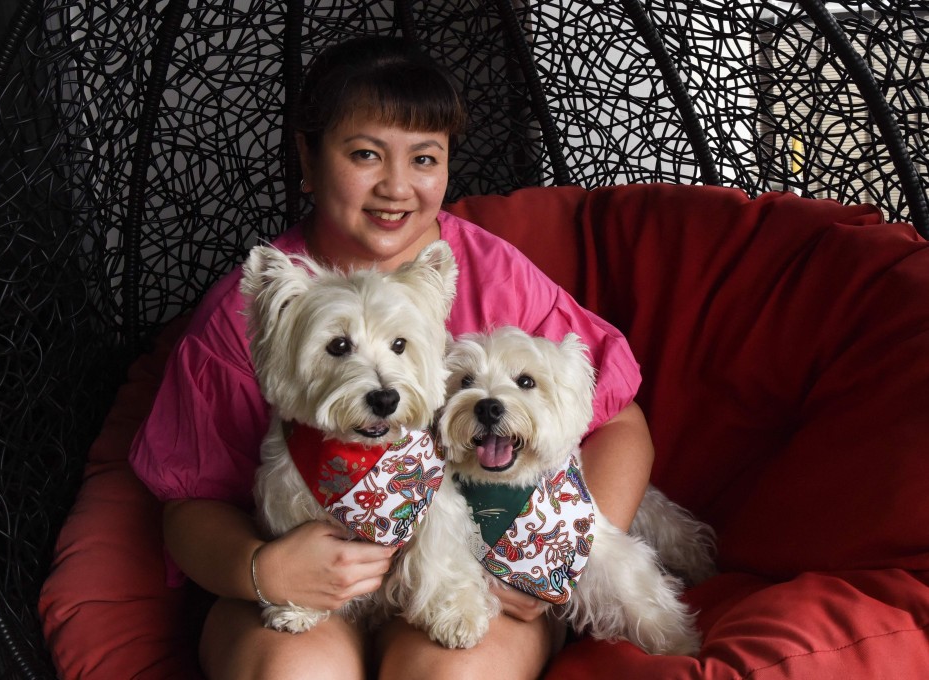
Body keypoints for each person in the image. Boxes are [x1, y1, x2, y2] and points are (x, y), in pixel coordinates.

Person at [129, 35, 654, 680]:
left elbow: (620, 422)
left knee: (449, 674)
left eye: (425, 158)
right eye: (365, 154)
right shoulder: (251, 316)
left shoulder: (496, 278)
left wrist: (559, 557)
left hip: (474, 573)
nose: (397, 186)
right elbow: (187, 505)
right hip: (295, 581)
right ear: (308, 156)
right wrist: (262, 569)